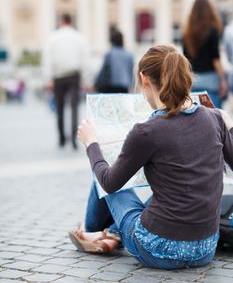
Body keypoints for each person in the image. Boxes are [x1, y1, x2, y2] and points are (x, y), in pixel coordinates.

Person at [68, 45, 233, 269]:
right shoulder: (214, 119)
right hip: (205, 248)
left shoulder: (147, 131)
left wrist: (92, 143)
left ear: (145, 80)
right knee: (166, 192)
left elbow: (109, 182)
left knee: (106, 175)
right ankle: (109, 233)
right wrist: (228, 125)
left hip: (157, 249)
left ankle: (93, 233)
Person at [43, 14, 88, 149]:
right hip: (74, 76)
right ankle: (74, 139)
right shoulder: (79, 37)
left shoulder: (53, 37)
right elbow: (84, 59)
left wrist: (48, 78)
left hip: (58, 76)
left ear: (61, 21)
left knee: (60, 108)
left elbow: (48, 59)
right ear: (71, 22)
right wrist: (85, 80)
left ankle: (62, 138)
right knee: (74, 108)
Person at [183, 0, 228, 108]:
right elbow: (215, 59)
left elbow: (185, 60)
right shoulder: (212, 30)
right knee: (214, 118)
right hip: (211, 81)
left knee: (196, 118)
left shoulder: (187, 32)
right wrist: (223, 80)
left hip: (193, 80)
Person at [94, 28, 134, 93]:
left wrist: (96, 84)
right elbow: (132, 72)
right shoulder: (129, 55)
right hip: (125, 86)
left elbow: (104, 71)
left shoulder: (110, 54)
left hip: (111, 86)